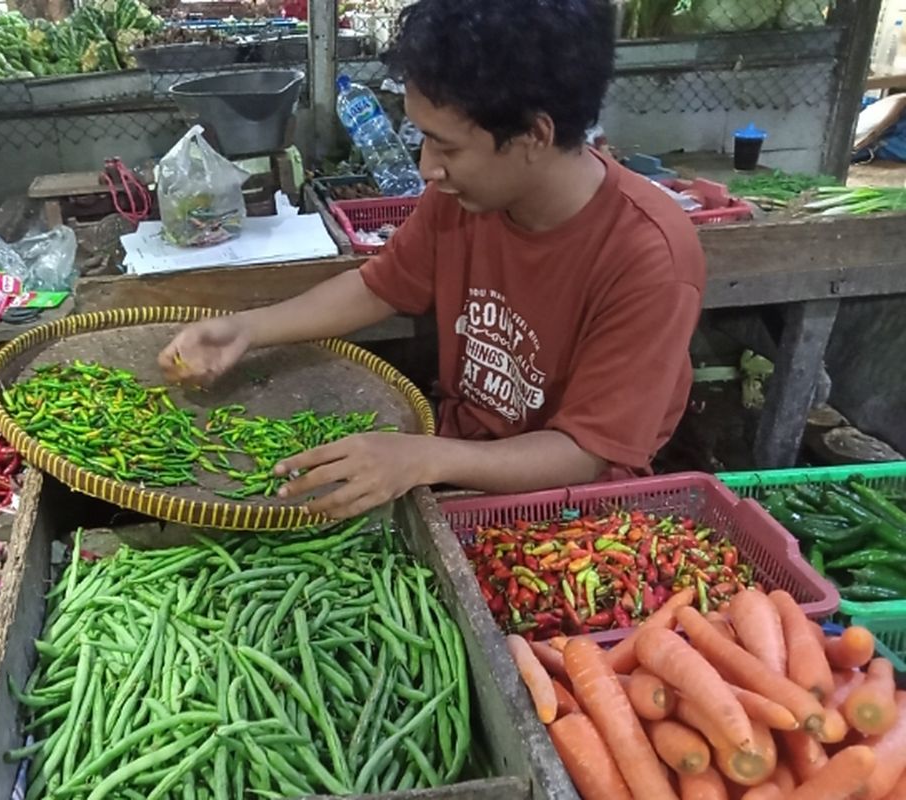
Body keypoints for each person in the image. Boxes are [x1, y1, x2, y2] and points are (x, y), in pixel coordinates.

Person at [159, 0, 706, 520]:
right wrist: (247, 330)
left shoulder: (649, 255)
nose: (426, 168)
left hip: (570, 510)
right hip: (455, 460)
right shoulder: (464, 200)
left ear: (535, 135)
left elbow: (586, 452)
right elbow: (379, 286)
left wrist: (423, 458)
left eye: (445, 147)